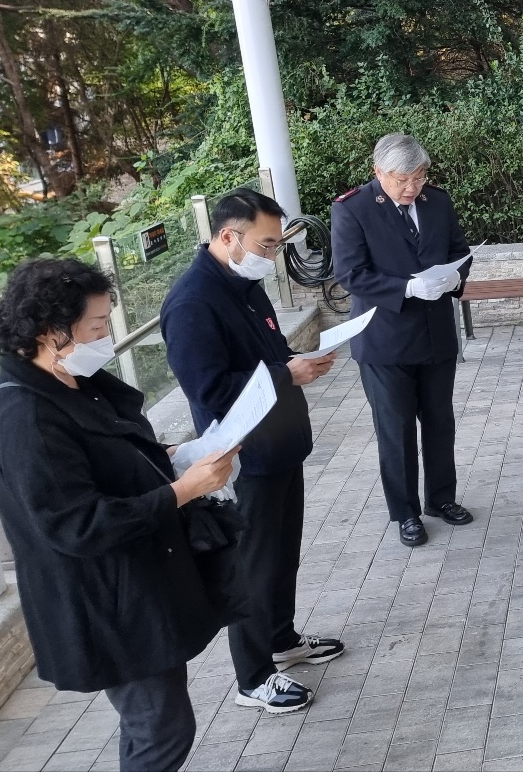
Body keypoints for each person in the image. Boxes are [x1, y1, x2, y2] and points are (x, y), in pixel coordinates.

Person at [0, 258, 239, 772]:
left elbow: (106, 456)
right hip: (102, 602)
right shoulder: (24, 414)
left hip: (135, 584)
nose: (107, 336)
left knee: (152, 723)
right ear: (51, 331)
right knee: (162, 729)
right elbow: (77, 524)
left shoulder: (74, 380)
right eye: (98, 326)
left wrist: (173, 457)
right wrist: (183, 491)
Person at [160, 189, 343, 714]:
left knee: (283, 553)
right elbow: (210, 390)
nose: (272, 255)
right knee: (252, 565)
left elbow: (269, 351)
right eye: (266, 245)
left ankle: (282, 640)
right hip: (244, 458)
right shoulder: (192, 303)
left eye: (276, 244)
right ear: (228, 237)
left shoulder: (244, 284)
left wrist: (298, 359)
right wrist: (287, 374)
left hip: (281, 443)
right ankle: (254, 677)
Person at [331, 133, 474, 547]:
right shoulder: (353, 209)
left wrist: (454, 278)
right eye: (402, 179)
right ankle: (406, 512)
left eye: (419, 177)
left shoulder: (437, 202)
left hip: (435, 335)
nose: (412, 187)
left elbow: (459, 251)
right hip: (384, 341)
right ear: (378, 172)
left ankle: (441, 499)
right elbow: (351, 274)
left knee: (440, 423)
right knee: (396, 431)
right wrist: (407, 288)